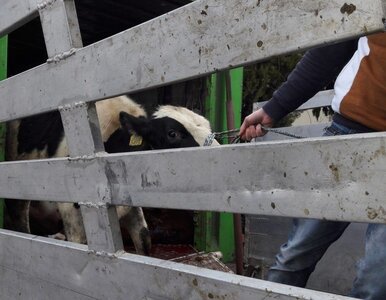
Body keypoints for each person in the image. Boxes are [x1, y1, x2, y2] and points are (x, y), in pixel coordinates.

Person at [239, 31, 386, 300]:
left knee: (378, 281)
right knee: (295, 255)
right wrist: (275, 107)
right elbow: (331, 49)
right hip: (350, 134)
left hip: (351, 134)